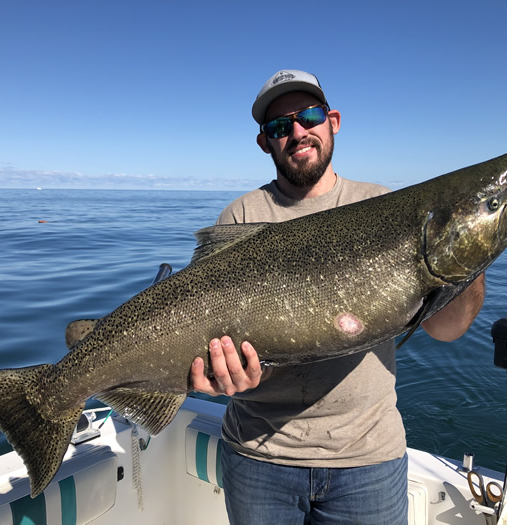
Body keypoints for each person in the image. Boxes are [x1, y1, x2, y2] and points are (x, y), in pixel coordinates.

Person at [190, 70, 485, 525]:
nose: (297, 132)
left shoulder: (383, 205)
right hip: (257, 457)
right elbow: (205, 340)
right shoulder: (241, 215)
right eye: (278, 126)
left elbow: (446, 330)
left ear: (333, 121)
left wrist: (470, 256)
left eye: (308, 116)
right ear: (264, 141)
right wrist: (216, 374)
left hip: (368, 461)